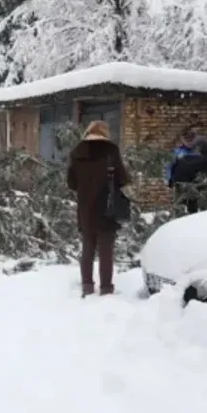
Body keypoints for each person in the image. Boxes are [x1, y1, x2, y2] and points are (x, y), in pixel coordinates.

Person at [66, 120, 131, 297]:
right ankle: (106, 288)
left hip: (86, 208)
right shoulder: (111, 150)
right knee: (106, 250)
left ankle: (87, 286)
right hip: (106, 206)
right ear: (105, 133)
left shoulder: (77, 151)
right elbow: (123, 178)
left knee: (87, 248)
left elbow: (71, 183)